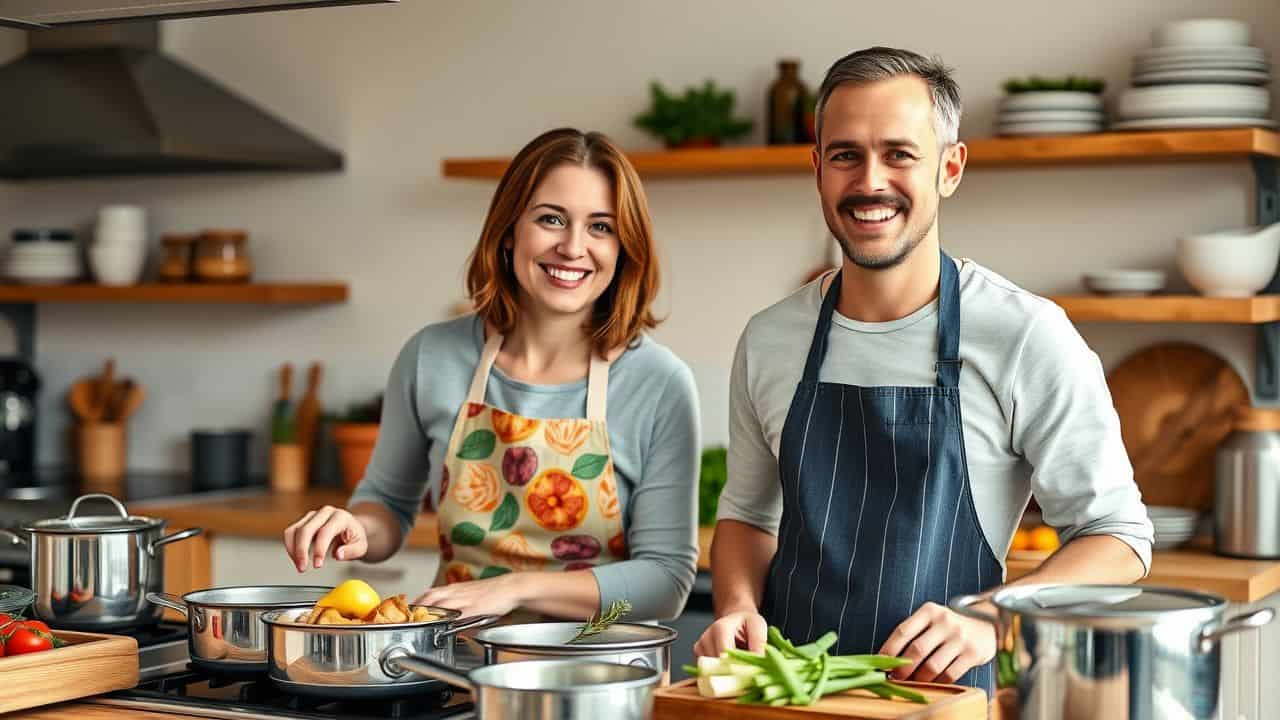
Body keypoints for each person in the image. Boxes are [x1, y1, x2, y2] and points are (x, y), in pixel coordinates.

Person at [693, 47, 1154, 693]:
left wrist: (993, 617)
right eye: (845, 154)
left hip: (947, 700)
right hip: (793, 700)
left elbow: (1120, 538)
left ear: (950, 168)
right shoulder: (771, 338)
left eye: (899, 154)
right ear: (817, 168)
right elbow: (745, 516)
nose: (869, 181)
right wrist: (736, 607)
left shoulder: (1025, 335)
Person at [283, 128, 700, 622]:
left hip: (600, 677)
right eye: (551, 219)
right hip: (452, 664)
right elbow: (388, 506)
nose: (572, 247)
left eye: (600, 227)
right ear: (508, 230)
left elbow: (665, 582)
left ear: (625, 246)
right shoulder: (430, 356)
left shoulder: (658, 382)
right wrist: (354, 525)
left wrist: (514, 590)